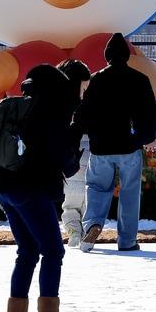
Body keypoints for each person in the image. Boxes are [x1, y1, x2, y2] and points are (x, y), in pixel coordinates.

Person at [0, 64, 82, 312]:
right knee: (53, 251)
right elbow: (64, 161)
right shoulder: (50, 113)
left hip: (6, 187)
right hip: (30, 188)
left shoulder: (22, 108)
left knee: (27, 251)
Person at [75, 33, 156, 253]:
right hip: (129, 146)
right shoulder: (140, 80)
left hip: (101, 147)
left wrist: (77, 133)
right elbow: (148, 112)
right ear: (127, 56)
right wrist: (147, 137)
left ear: (107, 56)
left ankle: (93, 224)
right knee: (130, 192)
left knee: (96, 187)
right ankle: (127, 240)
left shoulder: (96, 80)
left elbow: (82, 114)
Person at [56, 60, 92, 249]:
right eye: (83, 87)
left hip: (70, 156)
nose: (84, 91)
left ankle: (73, 233)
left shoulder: (55, 101)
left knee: (70, 202)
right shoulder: (85, 102)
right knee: (87, 198)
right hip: (88, 150)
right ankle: (85, 231)